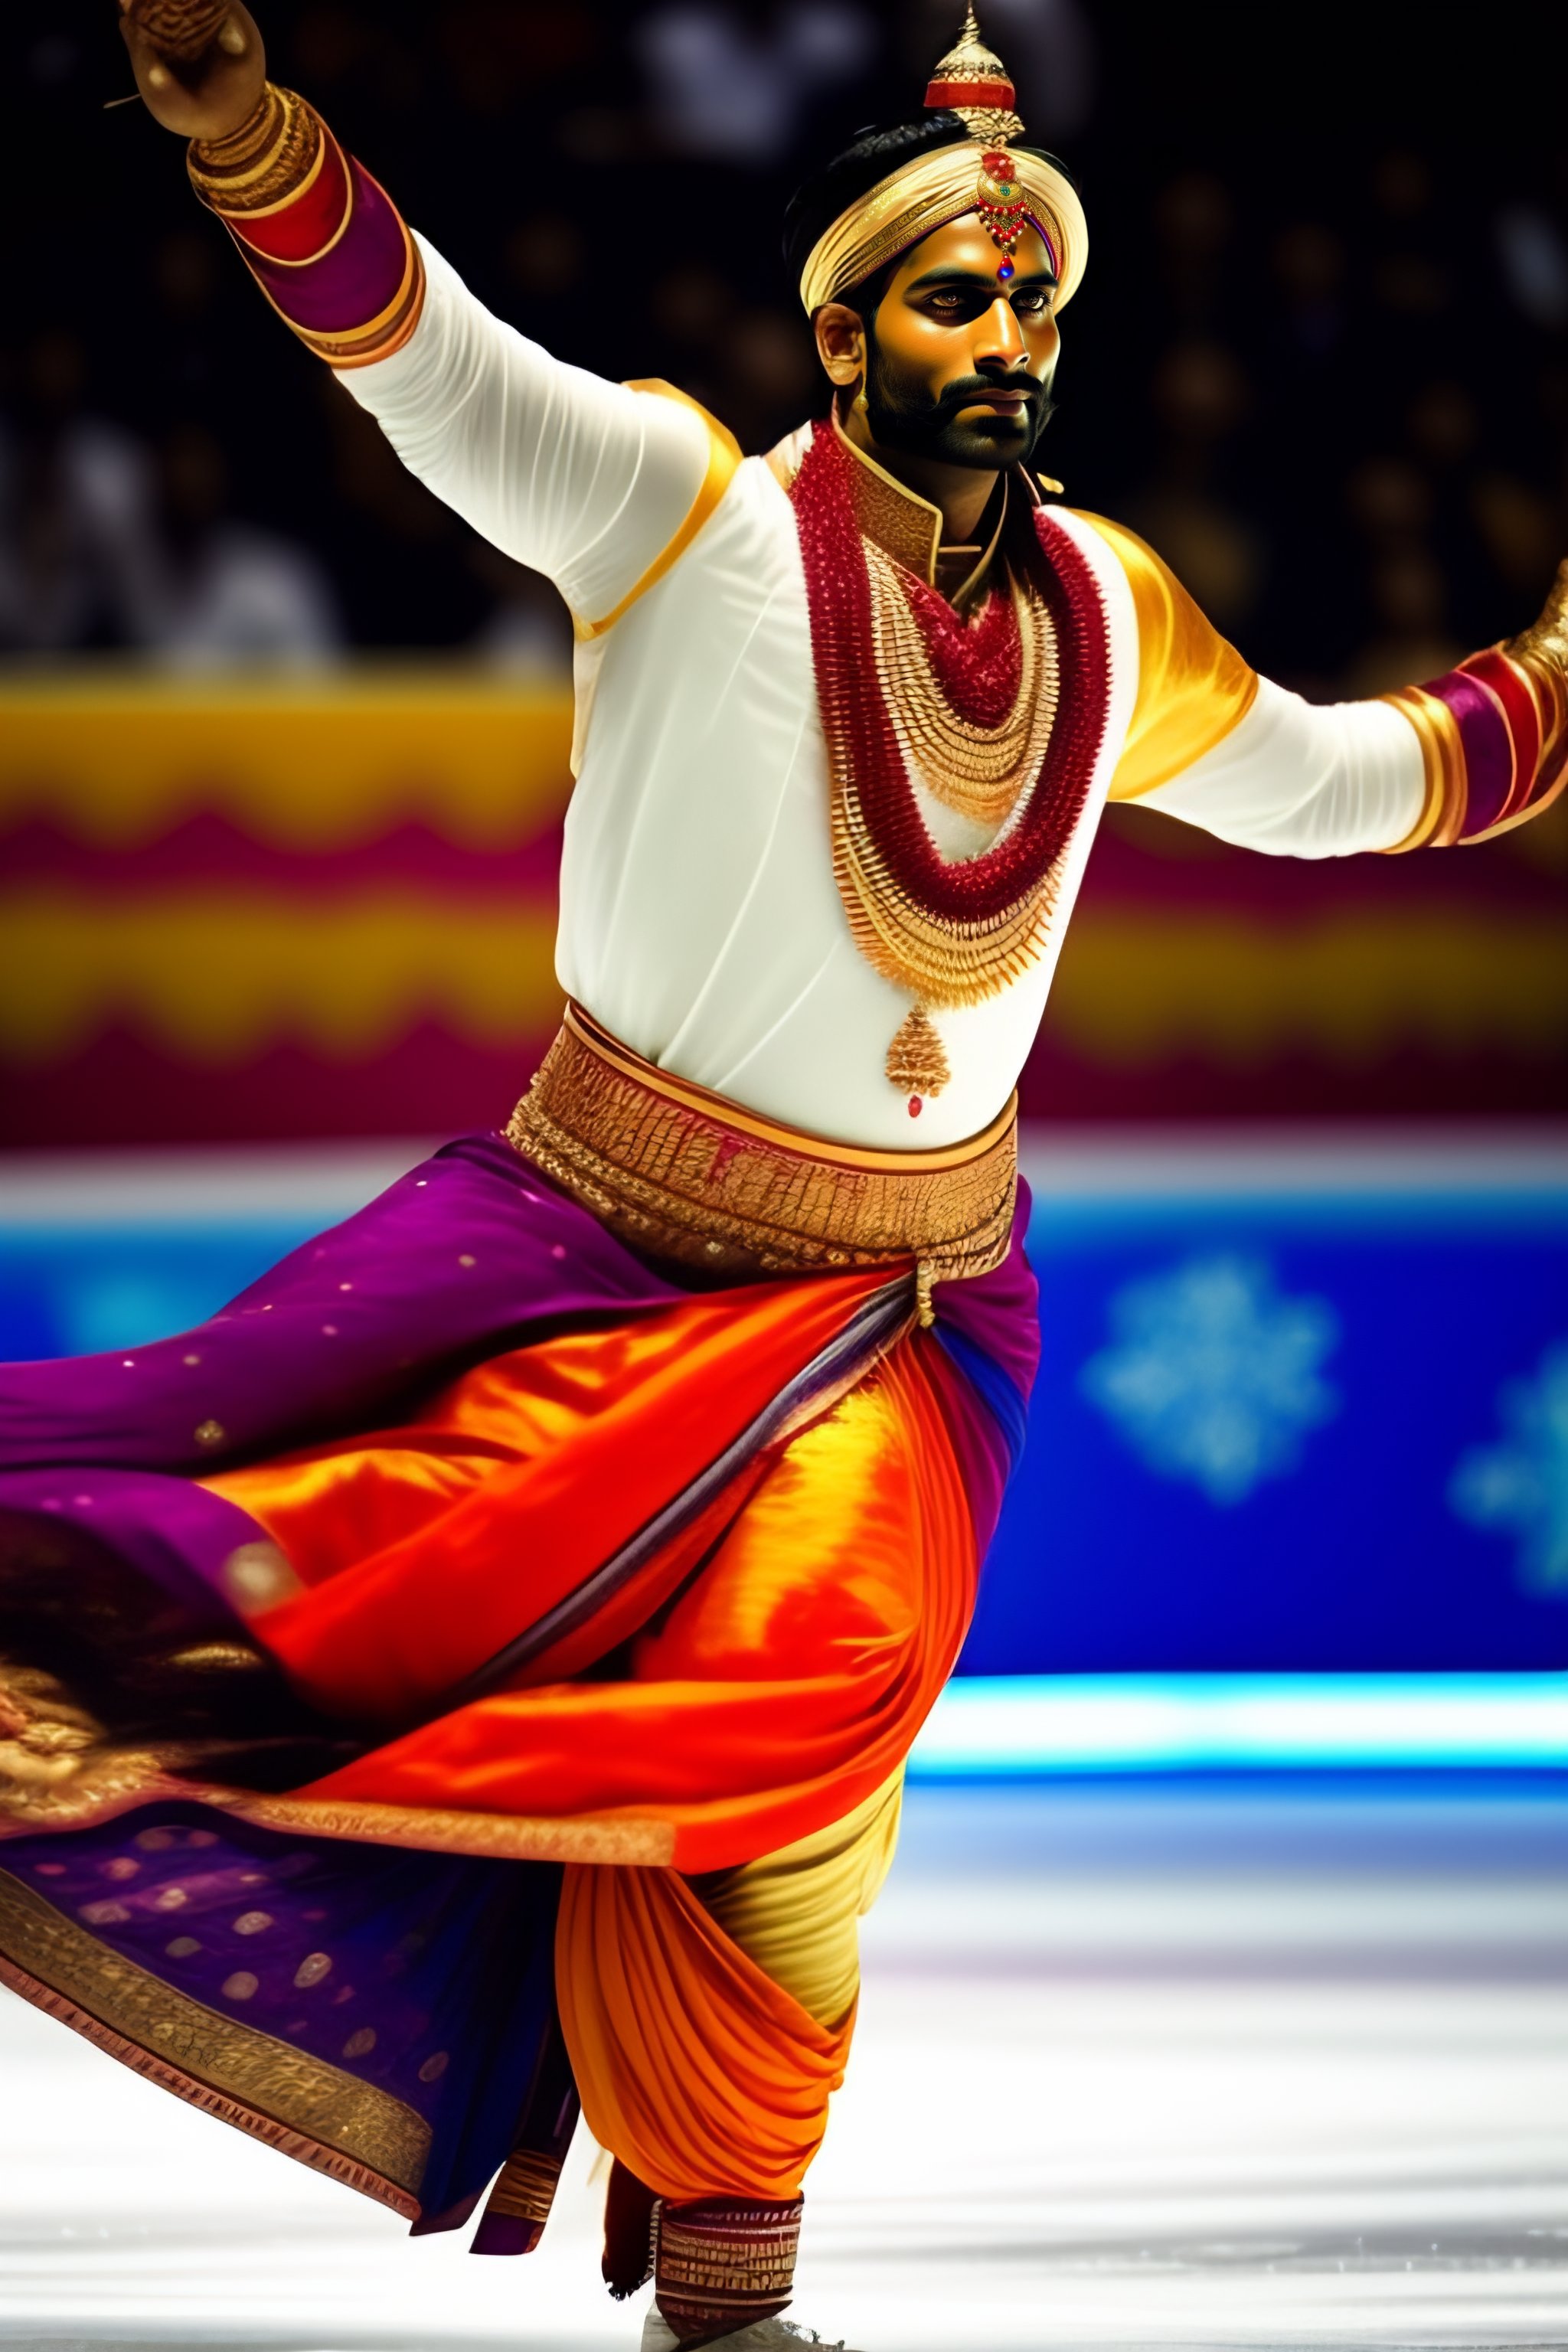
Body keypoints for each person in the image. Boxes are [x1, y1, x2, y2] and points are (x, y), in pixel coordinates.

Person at [2, 6, 1564, 2347]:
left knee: (802, 1719)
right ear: (842, 331)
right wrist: (250, 139)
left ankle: (731, 2304)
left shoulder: (1109, 620)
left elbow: (1338, 781)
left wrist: (1548, 686)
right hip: (579, 1266)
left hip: (908, 1319)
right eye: (958, 297)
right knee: (241, 1566)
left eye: (1039, 302)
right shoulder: (684, 518)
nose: (1011, 342)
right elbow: (432, 362)